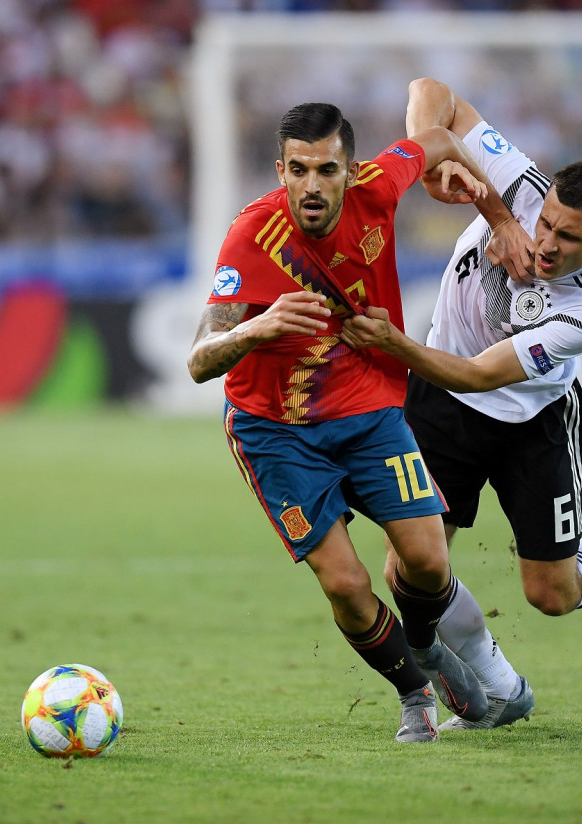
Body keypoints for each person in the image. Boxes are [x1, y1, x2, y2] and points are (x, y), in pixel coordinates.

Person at [341, 78, 582, 732]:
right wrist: (478, 196)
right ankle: (502, 687)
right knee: (412, 566)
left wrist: (390, 342)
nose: (548, 243)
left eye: (569, 239)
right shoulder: (521, 186)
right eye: (546, 223)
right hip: (441, 406)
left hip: (531, 421)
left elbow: (475, 376)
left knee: (551, 594)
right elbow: (430, 94)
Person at [187, 101, 532, 743]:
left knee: (427, 563)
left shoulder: (382, 184)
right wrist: (257, 327)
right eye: (298, 170)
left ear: (350, 169)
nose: (311, 186)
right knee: (346, 583)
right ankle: (414, 692)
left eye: (326, 169)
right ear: (280, 169)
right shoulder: (250, 238)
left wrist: (500, 219)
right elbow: (199, 361)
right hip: (275, 431)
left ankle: (428, 648)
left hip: (368, 410)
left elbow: (440, 138)